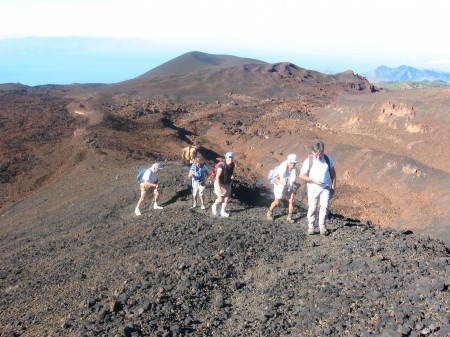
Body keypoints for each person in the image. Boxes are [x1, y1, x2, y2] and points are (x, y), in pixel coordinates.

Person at [299, 141, 336, 235]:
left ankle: (322, 226)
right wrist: (312, 180)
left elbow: (333, 174)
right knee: (312, 207)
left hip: (325, 187)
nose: (318, 157)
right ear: (312, 152)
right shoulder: (309, 160)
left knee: (325, 206)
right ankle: (311, 226)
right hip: (313, 188)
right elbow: (301, 175)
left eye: (320, 154)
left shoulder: (328, 159)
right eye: (316, 155)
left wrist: (333, 186)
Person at [267, 154, 299, 223]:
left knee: (292, 200)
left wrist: (295, 184)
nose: (292, 165)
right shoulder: (282, 168)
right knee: (277, 201)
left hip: (288, 186)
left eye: (294, 163)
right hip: (279, 186)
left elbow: (293, 178)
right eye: (291, 163)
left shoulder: (295, 169)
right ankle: (269, 212)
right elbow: (275, 178)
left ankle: (289, 217)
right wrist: (282, 183)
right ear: (288, 162)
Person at [212, 151, 235, 217]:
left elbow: (231, 173)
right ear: (226, 158)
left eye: (232, 157)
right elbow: (217, 177)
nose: (230, 159)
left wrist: (232, 176)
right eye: (229, 157)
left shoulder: (232, 165)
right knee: (220, 199)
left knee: (226, 198)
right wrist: (219, 187)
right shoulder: (221, 166)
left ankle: (223, 211)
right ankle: (214, 206)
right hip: (219, 183)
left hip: (227, 183)